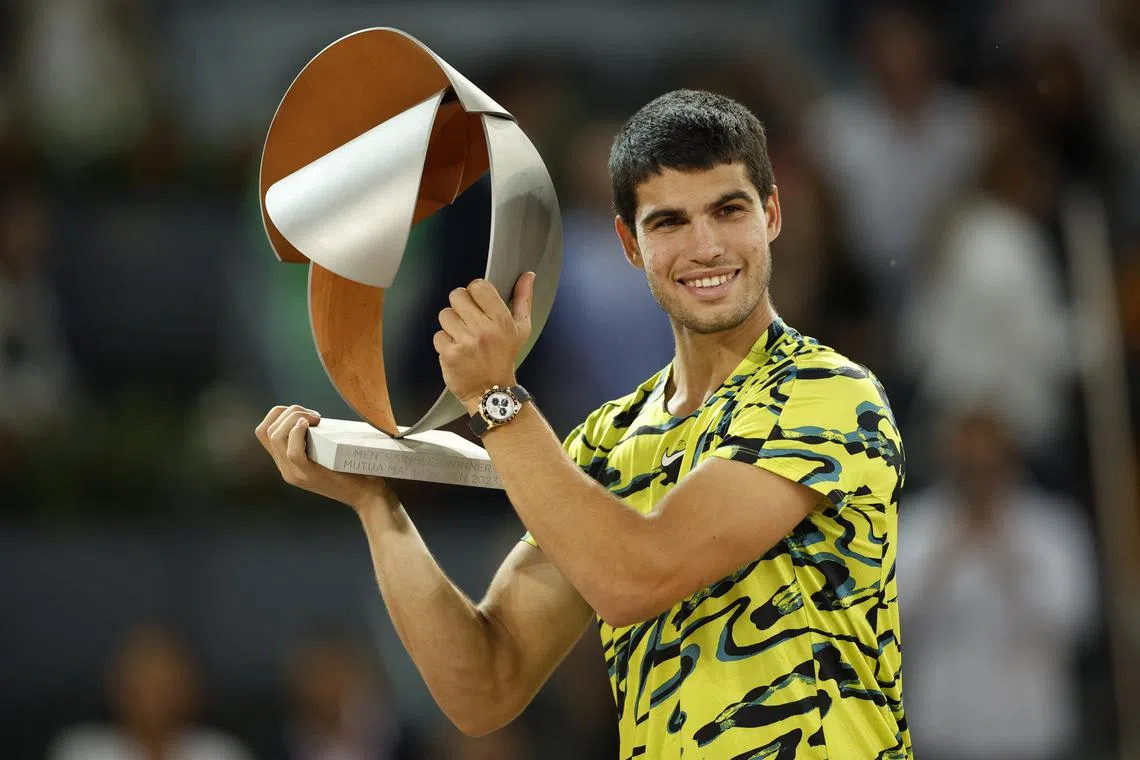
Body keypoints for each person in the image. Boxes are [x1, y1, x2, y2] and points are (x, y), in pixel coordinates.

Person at [257, 90, 910, 759]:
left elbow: (636, 579)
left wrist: (495, 397)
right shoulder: (607, 440)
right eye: (669, 223)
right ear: (629, 243)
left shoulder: (828, 395)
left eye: (728, 210)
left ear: (771, 215)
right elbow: (485, 685)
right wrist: (377, 505)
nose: (706, 246)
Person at [897, 408, 1098, 760]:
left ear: (1011, 463)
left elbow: (1073, 624)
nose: (978, 482)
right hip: (941, 727)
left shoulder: (1054, 526)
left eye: (988, 468)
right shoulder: (916, 525)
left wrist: (1006, 554)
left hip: (1030, 729)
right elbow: (892, 624)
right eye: (967, 469)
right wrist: (947, 551)